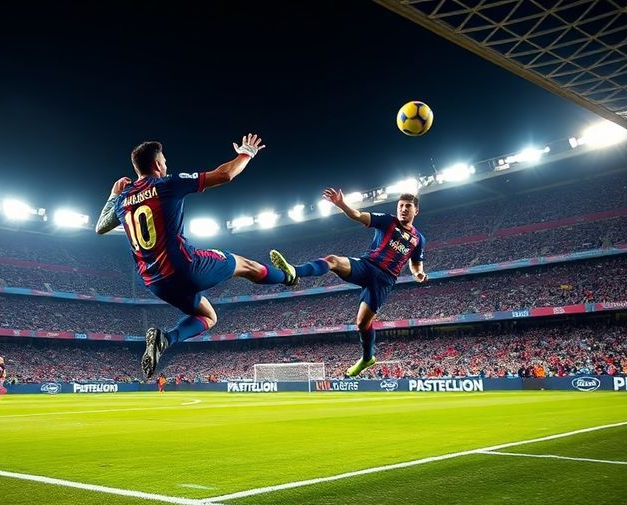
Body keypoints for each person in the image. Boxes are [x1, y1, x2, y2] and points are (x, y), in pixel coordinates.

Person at [96, 134, 293, 378]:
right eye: (164, 161)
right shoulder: (167, 184)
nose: (166, 165)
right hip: (186, 268)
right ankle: (288, 277)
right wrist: (246, 153)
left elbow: (100, 227)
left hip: (155, 283)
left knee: (208, 316)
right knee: (244, 265)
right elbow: (225, 174)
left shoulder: (123, 199)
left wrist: (114, 195)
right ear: (157, 165)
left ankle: (165, 340)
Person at [270, 188, 427, 377]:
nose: (403, 209)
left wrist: (419, 274)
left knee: (362, 324)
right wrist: (341, 204)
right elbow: (359, 215)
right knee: (333, 260)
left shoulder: (418, 240)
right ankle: (295, 271)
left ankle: (367, 358)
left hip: (384, 280)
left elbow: (416, 265)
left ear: (415, 211)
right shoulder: (387, 220)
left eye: (407, 206)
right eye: (400, 205)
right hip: (367, 266)